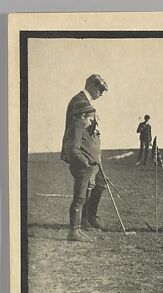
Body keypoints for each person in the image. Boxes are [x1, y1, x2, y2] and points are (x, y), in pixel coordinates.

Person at [60, 75, 109, 241]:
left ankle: (88, 219)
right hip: (84, 157)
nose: (101, 93)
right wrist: (86, 160)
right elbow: (77, 134)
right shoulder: (79, 102)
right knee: (83, 192)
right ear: (91, 86)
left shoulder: (86, 103)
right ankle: (79, 225)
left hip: (91, 156)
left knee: (99, 184)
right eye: (100, 89)